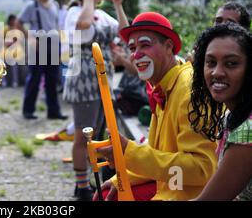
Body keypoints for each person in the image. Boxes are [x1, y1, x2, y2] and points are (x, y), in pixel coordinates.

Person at [96, 12, 218, 201]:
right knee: (106, 194)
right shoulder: (162, 85)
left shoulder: (189, 89)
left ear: (169, 46)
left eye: (145, 45)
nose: (136, 54)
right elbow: (159, 153)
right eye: (132, 47)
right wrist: (123, 176)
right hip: (170, 184)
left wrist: (129, 151)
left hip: (188, 193)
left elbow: (202, 169)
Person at [62, 0, 129, 201]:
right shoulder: (74, 12)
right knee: (83, 134)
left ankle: (94, 179)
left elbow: (124, 33)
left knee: (101, 133)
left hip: (104, 79)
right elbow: (82, 27)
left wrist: (118, 5)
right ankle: (81, 186)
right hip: (83, 79)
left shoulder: (101, 13)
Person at [189, 23, 252, 200]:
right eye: (210, 63)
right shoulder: (229, 116)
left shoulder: (248, 131)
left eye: (231, 64)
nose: (217, 72)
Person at [16, 0, 67, 120]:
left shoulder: (55, 5)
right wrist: (30, 38)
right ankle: (28, 110)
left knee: (53, 78)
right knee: (35, 78)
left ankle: (53, 111)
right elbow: (19, 23)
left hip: (53, 43)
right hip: (38, 45)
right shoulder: (31, 6)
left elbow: (56, 25)